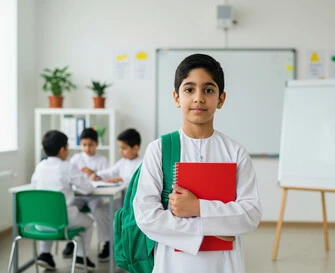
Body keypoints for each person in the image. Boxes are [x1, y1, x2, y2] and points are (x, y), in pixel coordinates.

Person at [133, 54, 262, 273]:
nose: (199, 98)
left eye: (209, 90)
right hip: (172, 265)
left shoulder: (235, 152)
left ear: (221, 99)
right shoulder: (160, 149)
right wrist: (212, 227)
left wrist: (196, 208)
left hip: (224, 264)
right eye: (189, 89)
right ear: (176, 98)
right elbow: (146, 216)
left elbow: (250, 214)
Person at [31, 130, 96, 271]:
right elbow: (88, 188)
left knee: (47, 215)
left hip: (39, 222)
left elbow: (34, 186)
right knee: (89, 222)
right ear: (62, 150)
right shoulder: (67, 166)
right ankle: (80, 257)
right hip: (63, 221)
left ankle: (45, 254)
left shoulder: (39, 166)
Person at [62, 127, 111, 262]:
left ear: (97, 144)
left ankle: (107, 243)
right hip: (78, 195)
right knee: (71, 209)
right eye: (84, 145)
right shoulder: (76, 158)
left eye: (91, 145)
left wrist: (92, 173)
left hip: (95, 195)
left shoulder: (102, 160)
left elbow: (106, 177)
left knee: (98, 211)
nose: (87, 148)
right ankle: (71, 241)